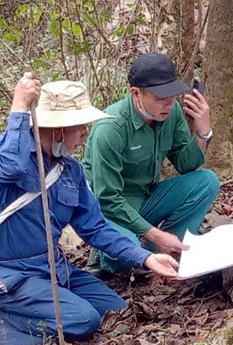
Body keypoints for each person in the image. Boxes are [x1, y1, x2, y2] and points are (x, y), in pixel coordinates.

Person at [0, 75, 179, 345]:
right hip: (10, 275)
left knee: (114, 309)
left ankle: (43, 309)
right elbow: (12, 167)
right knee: (83, 320)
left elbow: (95, 227)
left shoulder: (69, 171)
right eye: (79, 127)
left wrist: (145, 257)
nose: (85, 133)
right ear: (58, 130)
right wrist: (19, 107)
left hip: (53, 270)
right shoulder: (3, 152)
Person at [84, 53, 219, 273]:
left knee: (207, 181)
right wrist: (155, 233)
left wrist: (203, 131)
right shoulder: (110, 129)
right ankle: (121, 250)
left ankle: (168, 250)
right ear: (136, 93)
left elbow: (186, 164)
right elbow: (107, 199)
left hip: (146, 199)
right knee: (125, 259)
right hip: (112, 210)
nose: (168, 104)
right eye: (160, 98)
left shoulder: (171, 112)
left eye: (173, 96)